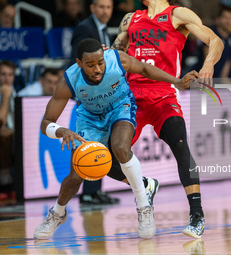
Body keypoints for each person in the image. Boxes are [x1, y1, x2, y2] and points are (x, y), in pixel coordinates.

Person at [33, 38, 198, 240]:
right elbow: (46, 122)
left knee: (120, 148)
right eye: (90, 65)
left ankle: (144, 206)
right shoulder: (69, 80)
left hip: (121, 106)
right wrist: (60, 131)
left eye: (100, 63)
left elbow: (145, 69)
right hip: (89, 119)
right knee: (77, 176)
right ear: (79, 63)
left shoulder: (116, 59)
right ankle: (57, 213)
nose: (97, 69)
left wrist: (176, 81)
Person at [110, 0, 224, 238]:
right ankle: (144, 185)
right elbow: (115, 56)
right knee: (105, 157)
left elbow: (216, 40)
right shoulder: (131, 18)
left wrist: (208, 64)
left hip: (163, 94)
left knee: (180, 146)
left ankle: (197, 215)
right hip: (132, 97)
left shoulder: (177, 14)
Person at [69, 0, 115, 204]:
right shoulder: (84, 28)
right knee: (90, 139)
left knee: (101, 140)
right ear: (92, 8)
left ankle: (95, 190)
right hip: (88, 92)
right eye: (101, 7)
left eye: (108, 7)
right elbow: (76, 61)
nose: (105, 11)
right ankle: (88, 191)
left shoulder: (105, 30)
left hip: (102, 93)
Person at [0, 60, 16, 200]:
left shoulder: (18, 92)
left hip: (17, 133)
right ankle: (5, 180)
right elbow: (1, 122)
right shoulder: (5, 92)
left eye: (10, 74)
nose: (7, 78)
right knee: (4, 135)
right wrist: (5, 96)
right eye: (3, 74)